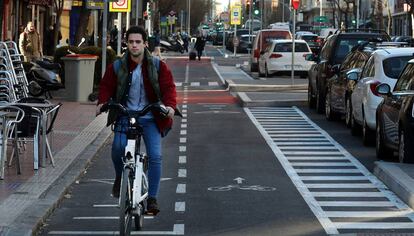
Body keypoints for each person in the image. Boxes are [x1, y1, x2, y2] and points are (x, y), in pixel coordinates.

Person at [96, 26, 178, 215]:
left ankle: (152, 199)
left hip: (150, 117)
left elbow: (168, 88)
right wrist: (102, 102)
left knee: (155, 156)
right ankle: (120, 178)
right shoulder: (118, 66)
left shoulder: (157, 66)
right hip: (126, 114)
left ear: (145, 44)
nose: (134, 45)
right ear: (126, 43)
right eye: (131, 42)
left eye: (138, 42)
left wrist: (170, 107)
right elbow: (106, 85)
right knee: (117, 148)